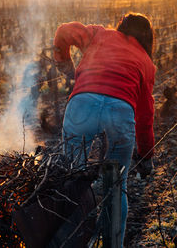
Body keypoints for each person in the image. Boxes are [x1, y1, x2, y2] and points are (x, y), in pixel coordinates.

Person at [53, 13, 156, 246]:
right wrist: (146, 155)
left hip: (82, 106)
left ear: (121, 27)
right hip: (120, 115)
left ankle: (69, 241)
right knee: (116, 186)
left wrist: (63, 61)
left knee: (71, 178)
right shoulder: (147, 63)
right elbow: (145, 114)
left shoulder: (99, 34)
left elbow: (64, 30)